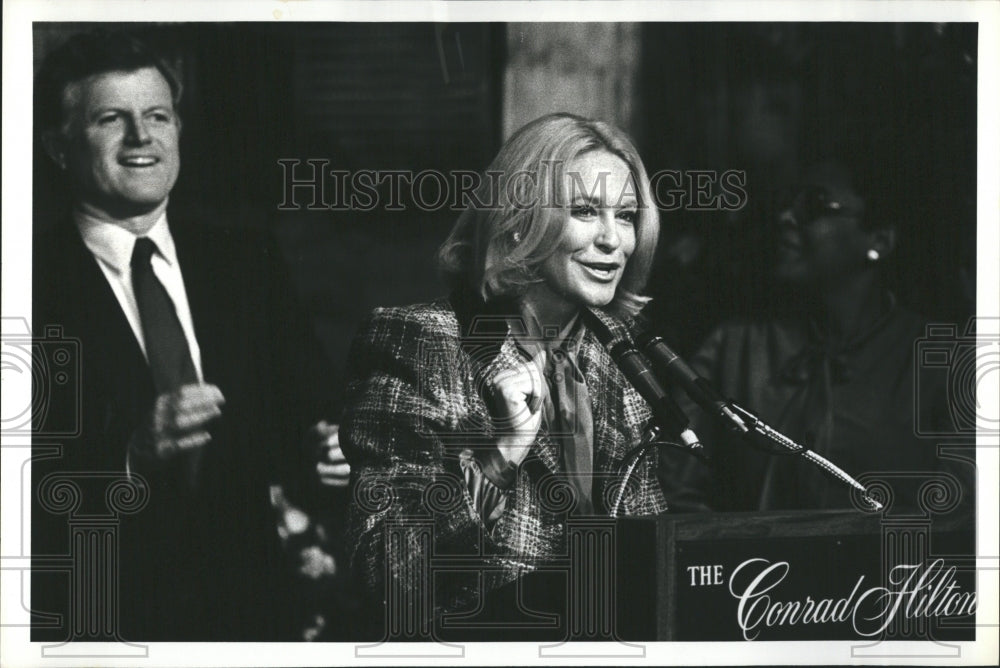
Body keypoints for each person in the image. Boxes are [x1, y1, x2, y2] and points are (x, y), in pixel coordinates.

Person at [31, 30, 349, 641]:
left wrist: (327, 450)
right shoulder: (26, 279)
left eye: (157, 115)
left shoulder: (245, 260)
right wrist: (127, 458)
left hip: (252, 617)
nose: (141, 137)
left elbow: (309, 412)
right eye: (110, 119)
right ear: (58, 147)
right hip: (99, 621)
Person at [340, 113, 668, 639]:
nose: (613, 240)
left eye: (626, 216)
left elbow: (653, 559)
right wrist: (503, 453)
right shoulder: (423, 341)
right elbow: (385, 573)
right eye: (585, 211)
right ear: (518, 221)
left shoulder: (621, 370)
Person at [658, 157, 975, 516]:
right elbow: (676, 493)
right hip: (757, 571)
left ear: (880, 240)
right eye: (786, 205)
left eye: (814, 205)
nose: (786, 218)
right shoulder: (733, 347)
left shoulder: (940, 359)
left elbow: (962, 516)